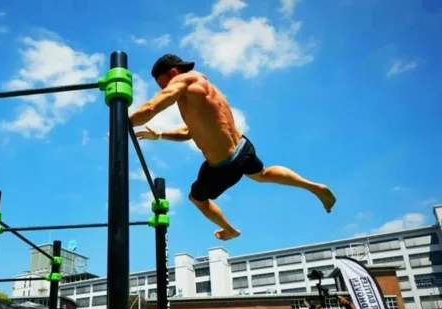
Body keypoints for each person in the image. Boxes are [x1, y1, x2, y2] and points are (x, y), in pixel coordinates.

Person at [131, 54, 336, 241]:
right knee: (262, 174)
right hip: (243, 148)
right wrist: (159, 135)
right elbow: (189, 132)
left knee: (197, 198)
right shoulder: (205, 87)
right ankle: (314, 187)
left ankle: (230, 230)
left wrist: (122, 121)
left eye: (161, 83)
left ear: (173, 73)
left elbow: (151, 107)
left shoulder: (181, 82)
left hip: (223, 164)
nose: (162, 89)